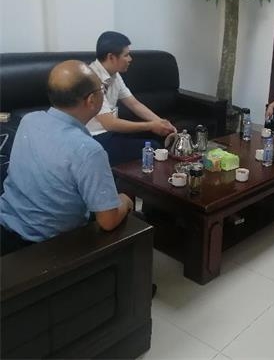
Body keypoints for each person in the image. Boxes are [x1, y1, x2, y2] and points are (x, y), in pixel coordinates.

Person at [0, 60, 134, 256]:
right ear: (91, 100)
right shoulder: (89, 151)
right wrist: (125, 200)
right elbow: (108, 221)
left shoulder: (29, 120)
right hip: (49, 244)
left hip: (7, 226)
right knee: (129, 215)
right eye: (101, 89)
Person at [87, 31, 176, 166]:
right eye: (126, 55)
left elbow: (134, 104)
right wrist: (151, 125)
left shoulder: (114, 75)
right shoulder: (92, 79)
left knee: (157, 136)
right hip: (96, 139)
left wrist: (161, 123)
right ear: (111, 57)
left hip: (111, 133)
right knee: (152, 147)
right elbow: (110, 123)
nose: (130, 59)